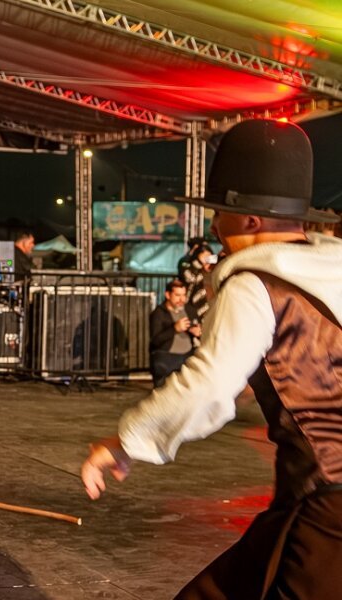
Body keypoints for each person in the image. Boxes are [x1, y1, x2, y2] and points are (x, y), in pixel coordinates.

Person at [80, 119, 342, 599]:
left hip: (327, 506)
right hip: (311, 504)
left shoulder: (256, 284)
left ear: (250, 221)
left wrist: (124, 442)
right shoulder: (330, 273)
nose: (214, 228)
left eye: (219, 213)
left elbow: (208, 386)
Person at [148, 279, 201, 388]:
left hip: (187, 356)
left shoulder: (189, 310)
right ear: (168, 295)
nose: (181, 299)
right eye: (177, 295)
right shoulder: (159, 314)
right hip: (166, 357)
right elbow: (156, 340)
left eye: (184, 295)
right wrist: (174, 329)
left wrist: (196, 331)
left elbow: (197, 326)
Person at [180, 243, 215, 321]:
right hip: (191, 305)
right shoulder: (188, 267)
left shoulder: (213, 270)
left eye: (209, 257)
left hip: (209, 305)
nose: (207, 260)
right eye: (204, 257)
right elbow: (191, 278)